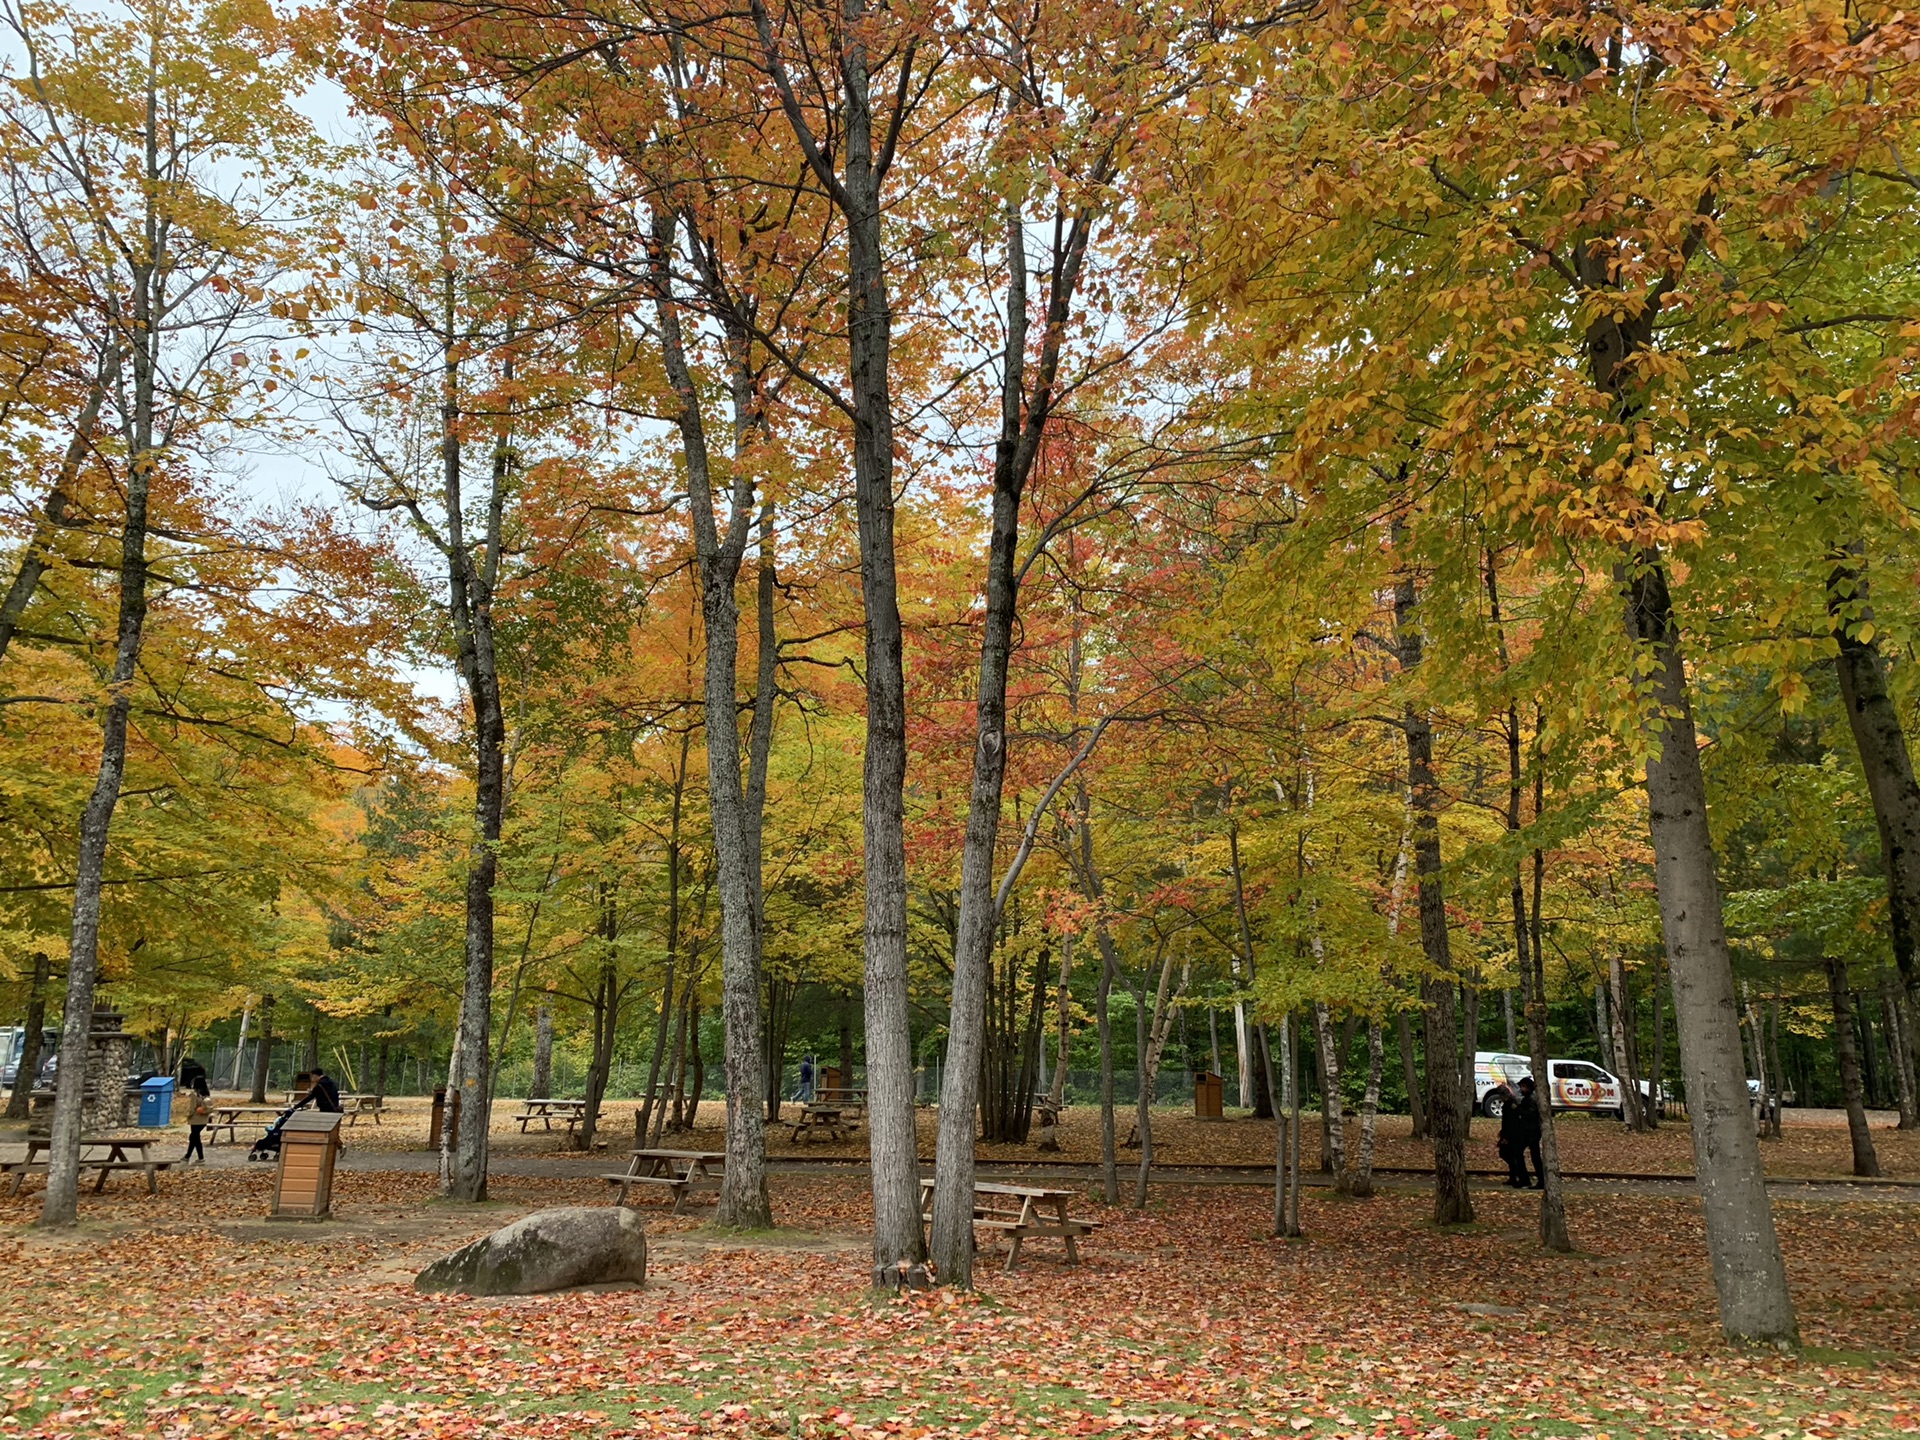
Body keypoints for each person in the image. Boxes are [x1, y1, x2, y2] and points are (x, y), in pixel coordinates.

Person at [1512, 1076, 1545, 1189]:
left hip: (1531, 1132)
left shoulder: (1531, 1098)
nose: (1521, 1089)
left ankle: (1537, 1180)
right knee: (1520, 1153)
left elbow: (1531, 1114)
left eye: (1523, 1087)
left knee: (1533, 1156)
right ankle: (1526, 1179)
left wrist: (1518, 1109)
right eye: (1521, 1087)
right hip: (1528, 1131)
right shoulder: (1529, 1098)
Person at [183, 1075, 211, 1165]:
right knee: (194, 1137)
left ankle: (200, 1158)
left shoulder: (194, 1095)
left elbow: (192, 1108)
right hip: (204, 1119)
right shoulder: (206, 1094)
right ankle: (187, 1156)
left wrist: (188, 1116)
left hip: (195, 1119)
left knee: (195, 1138)